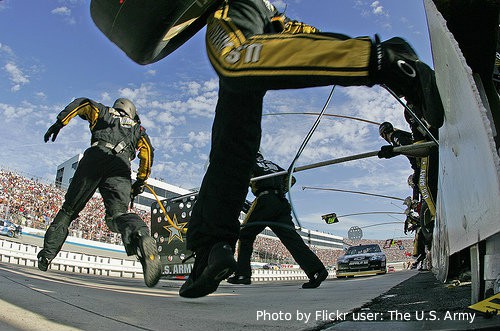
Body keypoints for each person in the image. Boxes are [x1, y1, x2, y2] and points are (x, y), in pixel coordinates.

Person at [180, 0, 444, 298]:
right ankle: (211, 250)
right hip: (265, 26)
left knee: (233, 58)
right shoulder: (276, 19)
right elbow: (307, 36)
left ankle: (386, 59)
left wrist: (365, 56)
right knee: (231, 139)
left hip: (236, 8)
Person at [37, 97, 162, 287]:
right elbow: (148, 154)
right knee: (118, 215)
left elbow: (82, 103)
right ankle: (141, 233)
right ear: (132, 112)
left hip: (95, 156)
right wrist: (141, 181)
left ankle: (46, 256)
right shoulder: (138, 130)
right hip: (121, 166)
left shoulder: (103, 112)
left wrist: (60, 122)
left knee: (69, 210)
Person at [226, 153, 328, 288]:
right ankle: (317, 271)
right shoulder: (274, 165)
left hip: (264, 200)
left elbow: (241, 183)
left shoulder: (249, 162)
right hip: (281, 202)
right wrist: (280, 190)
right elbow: (292, 179)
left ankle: (242, 274)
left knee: (245, 235)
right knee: (292, 239)